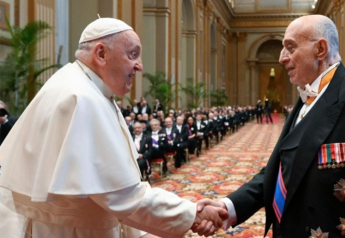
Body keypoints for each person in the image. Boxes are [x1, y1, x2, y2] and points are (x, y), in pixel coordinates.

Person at [0, 18, 227, 238]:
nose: (139, 66)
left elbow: (109, 191)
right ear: (100, 54)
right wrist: (191, 215)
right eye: (133, 54)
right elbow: (121, 196)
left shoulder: (83, 86)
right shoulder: (83, 98)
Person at [196, 15, 345, 237]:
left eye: (290, 48)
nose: (282, 58)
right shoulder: (306, 99)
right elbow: (285, 170)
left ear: (320, 49)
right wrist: (228, 206)